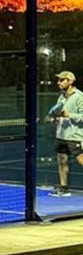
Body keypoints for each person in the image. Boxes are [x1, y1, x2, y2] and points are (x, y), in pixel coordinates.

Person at [46, 69, 83, 197]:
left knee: (81, 160)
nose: (59, 82)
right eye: (58, 80)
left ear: (70, 81)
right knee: (62, 160)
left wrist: (69, 115)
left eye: (62, 80)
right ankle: (63, 188)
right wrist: (54, 118)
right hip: (61, 135)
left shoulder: (79, 96)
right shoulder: (61, 96)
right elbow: (58, 112)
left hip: (74, 136)